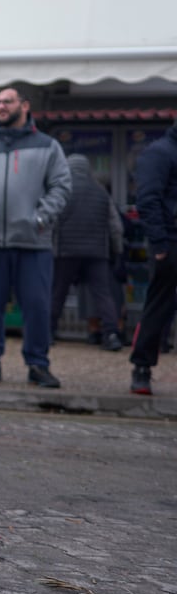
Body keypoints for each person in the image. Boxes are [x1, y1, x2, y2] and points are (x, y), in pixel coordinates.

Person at [0, 85, 71, 388]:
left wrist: (41, 217)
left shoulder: (47, 146)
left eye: (8, 101)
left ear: (25, 106)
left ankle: (38, 364)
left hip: (32, 241)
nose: (1, 106)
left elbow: (61, 185)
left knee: (36, 306)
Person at [49, 154, 124, 350]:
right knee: (103, 294)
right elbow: (115, 226)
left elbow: (52, 222)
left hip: (65, 251)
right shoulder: (101, 191)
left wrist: (49, 248)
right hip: (97, 252)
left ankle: (48, 332)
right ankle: (112, 335)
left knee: (58, 293)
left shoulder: (62, 191)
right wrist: (118, 251)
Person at [129, 117, 177, 395]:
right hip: (170, 242)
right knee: (158, 308)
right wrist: (159, 244)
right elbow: (147, 199)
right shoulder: (160, 152)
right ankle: (142, 367)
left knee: (159, 306)